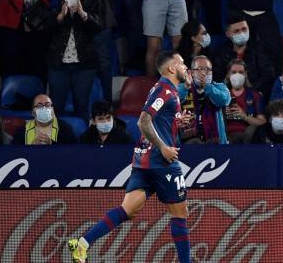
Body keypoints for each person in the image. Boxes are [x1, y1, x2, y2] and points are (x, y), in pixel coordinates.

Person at [69, 52, 191, 263]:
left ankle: (83, 243)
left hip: (142, 161)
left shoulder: (166, 89)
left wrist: (177, 121)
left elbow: (157, 120)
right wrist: (163, 147)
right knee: (180, 213)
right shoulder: (164, 90)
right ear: (172, 68)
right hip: (161, 162)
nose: (185, 66)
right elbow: (143, 121)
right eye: (181, 63)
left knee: (129, 210)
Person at [48, 0, 102, 123]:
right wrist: (61, 16)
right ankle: (56, 139)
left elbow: (97, 28)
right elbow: (47, 29)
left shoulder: (89, 9)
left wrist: (82, 13)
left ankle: (82, 141)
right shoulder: (55, 10)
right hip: (59, 66)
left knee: (82, 105)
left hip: (84, 66)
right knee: (56, 106)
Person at [216, 11, 276, 97]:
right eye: (236, 31)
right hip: (228, 97)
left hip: (254, 95)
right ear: (228, 34)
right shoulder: (221, 53)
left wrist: (250, 93)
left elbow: (268, 75)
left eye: (244, 29)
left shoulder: (260, 49)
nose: (241, 33)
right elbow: (217, 79)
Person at [177, 55, 231, 145]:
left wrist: (207, 86)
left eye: (207, 69)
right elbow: (174, 99)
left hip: (216, 144)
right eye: (200, 68)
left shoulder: (220, 87)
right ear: (191, 72)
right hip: (187, 144)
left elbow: (223, 101)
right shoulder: (183, 87)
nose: (204, 73)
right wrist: (186, 86)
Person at [222, 59, 265, 144]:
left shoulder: (255, 95)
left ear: (245, 74)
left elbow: (262, 122)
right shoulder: (221, 95)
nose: (237, 75)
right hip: (227, 137)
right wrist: (223, 114)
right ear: (228, 75)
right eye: (234, 72)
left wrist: (244, 116)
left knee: (251, 130)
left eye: (241, 72)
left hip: (248, 137)